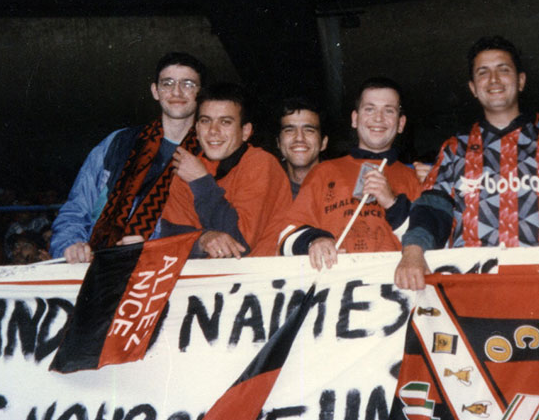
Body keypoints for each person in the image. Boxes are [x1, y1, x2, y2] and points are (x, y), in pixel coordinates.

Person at [395, 36, 539, 290]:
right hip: (473, 288)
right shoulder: (455, 148)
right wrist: (413, 252)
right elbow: (432, 208)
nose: (494, 79)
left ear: (520, 81)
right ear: (473, 87)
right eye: (483, 72)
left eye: (503, 70)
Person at [49, 52, 205, 263]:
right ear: (155, 91)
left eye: (188, 84)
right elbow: (76, 210)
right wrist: (71, 245)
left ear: (200, 92)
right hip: (99, 264)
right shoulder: (118, 143)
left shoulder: (209, 152)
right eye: (167, 83)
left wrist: (152, 247)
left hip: (167, 272)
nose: (176, 91)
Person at [278, 77, 422, 270]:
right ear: (355, 119)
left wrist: (392, 204)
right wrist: (315, 241)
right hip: (334, 287)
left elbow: (434, 245)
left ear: (401, 123)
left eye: (389, 110)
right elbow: (285, 237)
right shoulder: (323, 172)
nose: (378, 118)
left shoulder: (415, 179)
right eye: (369, 109)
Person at [159, 83, 291, 258]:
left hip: (260, 278)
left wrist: (200, 182)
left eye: (225, 122)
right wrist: (202, 239)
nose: (213, 131)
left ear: (245, 131)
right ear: (197, 130)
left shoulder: (260, 163)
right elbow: (169, 239)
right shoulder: (188, 168)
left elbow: (238, 243)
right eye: (206, 121)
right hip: (206, 279)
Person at [276, 96, 329, 198]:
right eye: (289, 130)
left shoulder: (342, 188)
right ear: (278, 142)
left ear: (323, 143)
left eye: (309, 130)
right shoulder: (268, 192)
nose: (299, 138)